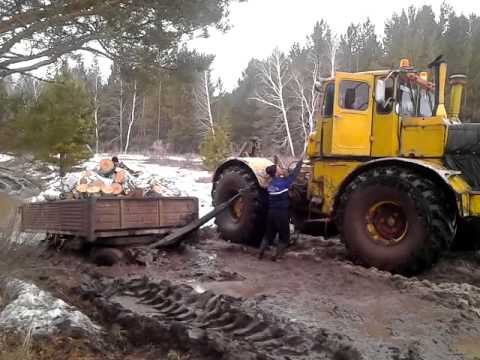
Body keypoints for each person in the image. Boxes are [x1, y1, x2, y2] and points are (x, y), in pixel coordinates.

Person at [259, 157, 304, 261]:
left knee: (268, 235)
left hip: (271, 213)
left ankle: (260, 253)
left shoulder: (270, 185)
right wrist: (300, 162)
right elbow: (294, 174)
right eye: (278, 168)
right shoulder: (284, 183)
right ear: (276, 173)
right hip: (281, 214)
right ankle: (276, 257)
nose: (280, 169)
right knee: (284, 237)